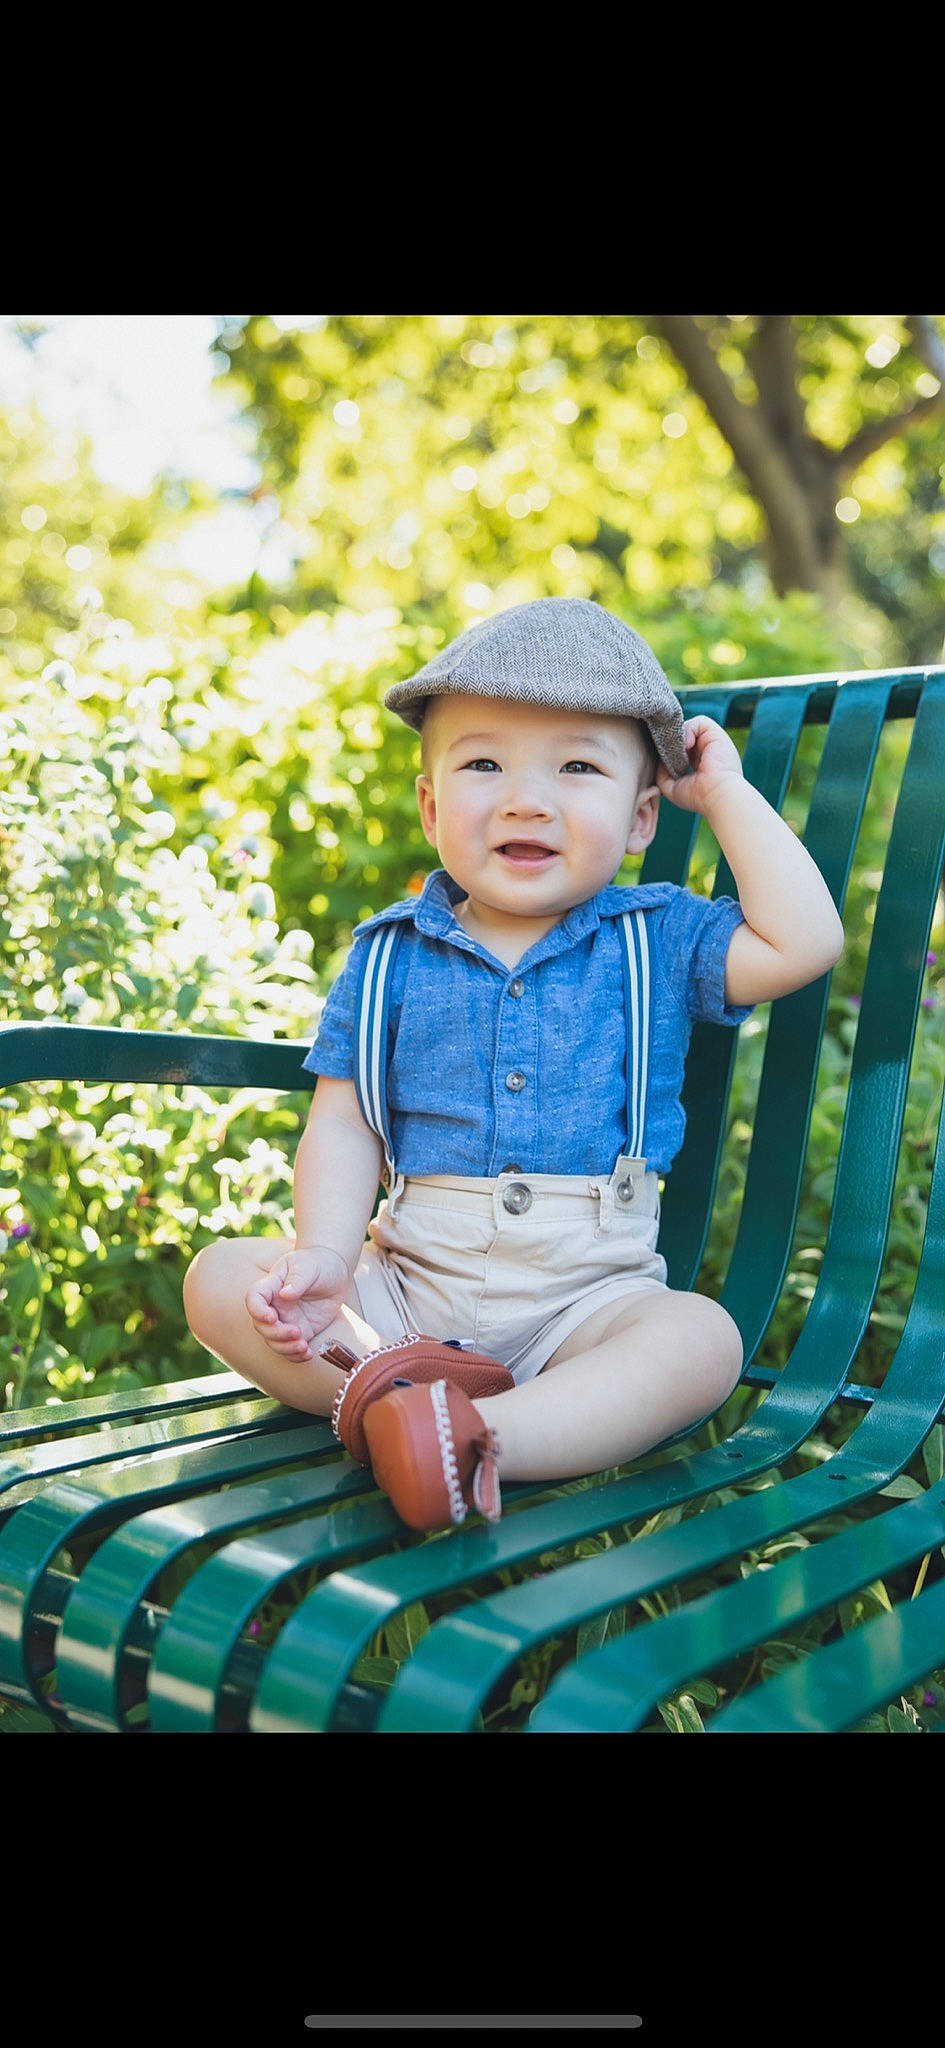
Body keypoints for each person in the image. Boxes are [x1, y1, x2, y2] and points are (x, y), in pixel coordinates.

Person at [183, 597, 844, 1532]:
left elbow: (806, 940)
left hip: (586, 1303)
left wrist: (725, 795)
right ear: (430, 804)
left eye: (577, 767)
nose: (526, 798)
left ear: (643, 813)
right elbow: (343, 1121)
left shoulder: (658, 936)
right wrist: (326, 1259)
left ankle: (477, 1434)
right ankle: (396, 1398)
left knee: (699, 1340)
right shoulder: (388, 955)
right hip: (403, 1294)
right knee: (221, 1278)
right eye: (483, 763)